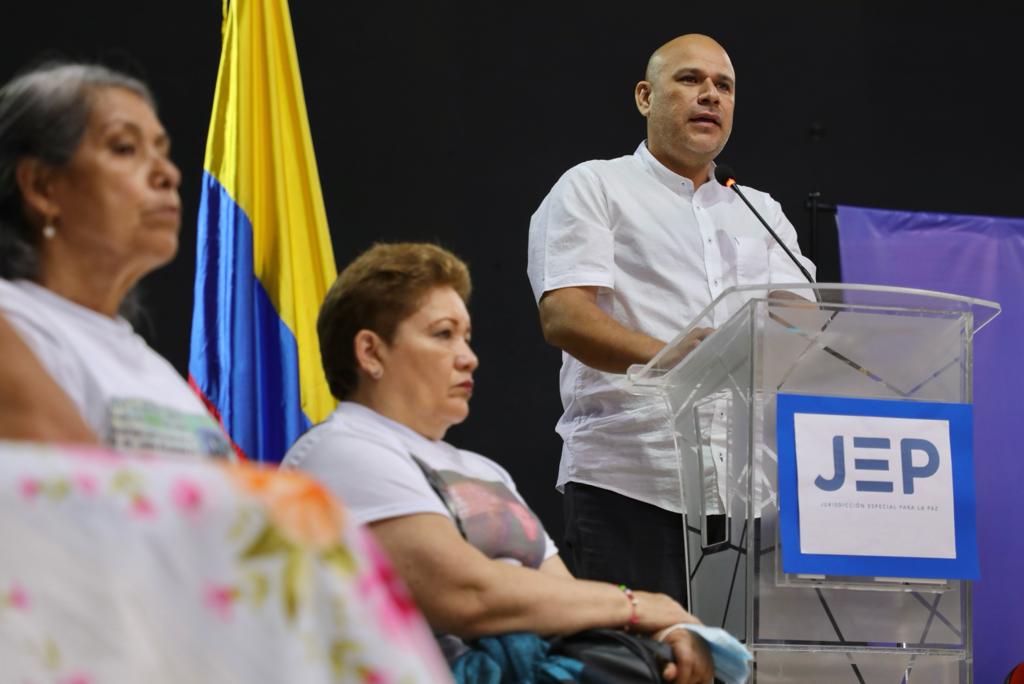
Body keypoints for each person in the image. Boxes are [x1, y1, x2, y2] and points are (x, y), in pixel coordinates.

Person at [283, 243, 714, 684]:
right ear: (371, 352)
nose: (468, 356)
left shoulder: (484, 470)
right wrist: (640, 606)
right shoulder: (342, 451)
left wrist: (667, 627)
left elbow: (564, 598)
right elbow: (470, 596)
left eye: (466, 336)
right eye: (442, 333)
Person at [526, 34, 816, 604]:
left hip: (748, 496)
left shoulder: (760, 210)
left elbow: (805, 325)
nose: (710, 94)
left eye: (724, 86)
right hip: (631, 481)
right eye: (690, 80)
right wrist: (675, 356)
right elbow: (565, 315)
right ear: (645, 97)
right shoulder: (595, 186)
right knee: (635, 666)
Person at [0, 62, 231, 458]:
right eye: (124, 148)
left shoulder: (155, 370)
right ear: (42, 188)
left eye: (163, 152)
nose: (169, 174)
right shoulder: (15, 324)